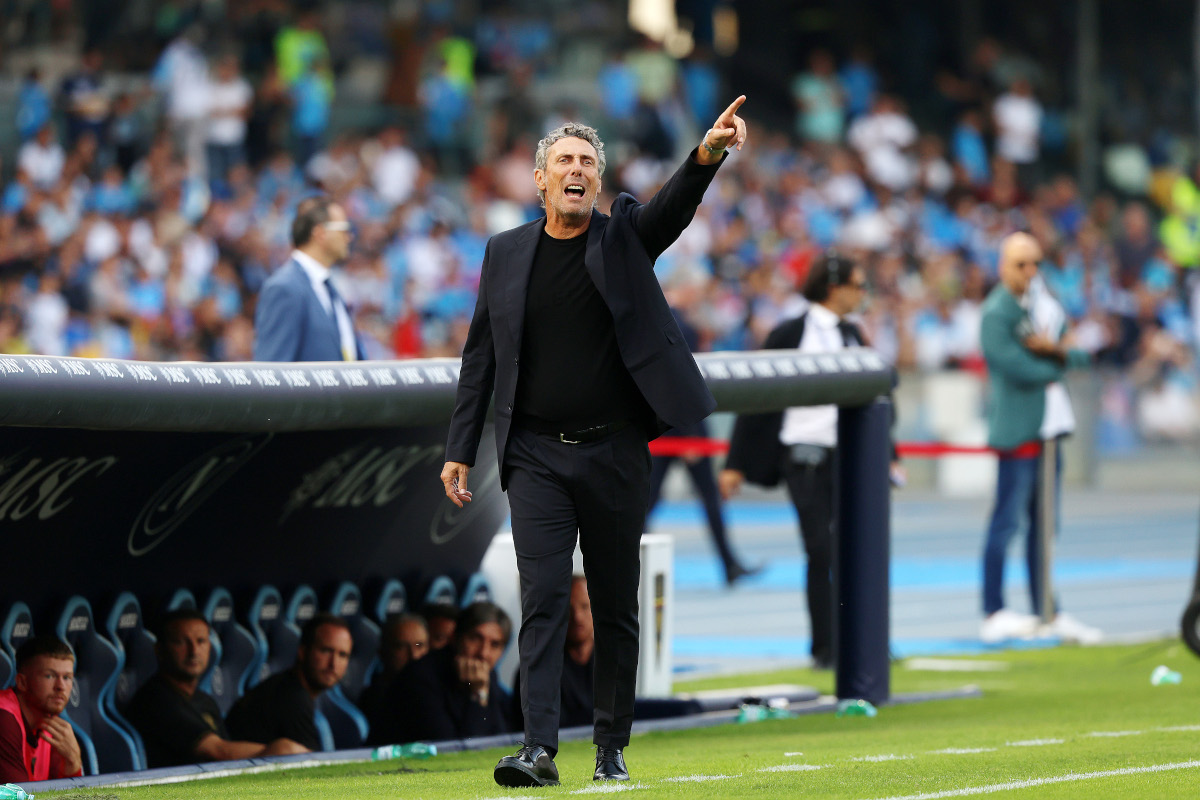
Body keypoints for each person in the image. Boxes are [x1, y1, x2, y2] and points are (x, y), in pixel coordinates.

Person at [440, 96, 747, 787]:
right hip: (535, 456)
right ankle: (538, 748)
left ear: (597, 181)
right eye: (564, 162)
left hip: (614, 451)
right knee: (543, 597)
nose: (576, 171)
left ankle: (610, 747)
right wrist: (460, 447)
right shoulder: (505, 251)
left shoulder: (624, 237)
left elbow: (672, 209)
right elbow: (480, 358)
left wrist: (707, 154)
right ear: (541, 179)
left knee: (613, 603)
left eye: (587, 162)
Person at [719, 252, 871, 671]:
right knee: (820, 549)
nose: (863, 294)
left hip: (849, 458)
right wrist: (735, 463)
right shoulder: (789, 332)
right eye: (858, 285)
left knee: (855, 550)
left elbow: (875, 401)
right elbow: (754, 399)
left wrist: (886, 456)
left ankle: (861, 638)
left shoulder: (855, 334)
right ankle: (824, 647)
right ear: (833, 286)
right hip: (801, 455)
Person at [979, 232, 1102, 644]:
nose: (1030, 272)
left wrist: (1053, 352)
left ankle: (1046, 607)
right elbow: (1016, 366)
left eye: (1035, 263)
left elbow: (1080, 353)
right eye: (1020, 264)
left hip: (1049, 431)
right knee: (1006, 522)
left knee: (1045, 527)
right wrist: (1058, 359)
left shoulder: (1045, 305)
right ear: (1003, 265)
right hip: (1019, 432)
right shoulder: (997, 311)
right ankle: (993, 608)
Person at [646, 301, 758, 586]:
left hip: (673, 425)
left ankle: (729, 564)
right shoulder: (673, 317)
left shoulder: (684, 315)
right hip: (680, 426)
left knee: (696, 498)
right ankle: (638, 562)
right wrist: (690, 434)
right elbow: (677, 374)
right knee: (654, 499)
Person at [126, 609, 306, 767]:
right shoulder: (155, 699)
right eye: (181, 642)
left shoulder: (204, 700)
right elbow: (219, 752)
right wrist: (282, 750)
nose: (194, 651)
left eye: (201, 641)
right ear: (160, 650)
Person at [370, 602, 512, 746]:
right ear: (455, 638)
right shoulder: (421, 677)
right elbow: (456, 750)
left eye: (495, 645)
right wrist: (477, 694)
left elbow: (500, 738)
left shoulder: (487, 674)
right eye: (475, 638)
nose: (483, 653)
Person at [253, 194, 364, 362]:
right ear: (320, 233)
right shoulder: (285, 288)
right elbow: (272, 370)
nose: (349, 236)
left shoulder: (330, 289)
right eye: (343, 229)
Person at [226, 613, 352, 751]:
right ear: (303, 652)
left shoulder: (292, 688)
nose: (333, 664)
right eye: (326, 651)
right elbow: (311, 766)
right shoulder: (292, 698)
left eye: (342, 655)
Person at [0, 635, 82, 782]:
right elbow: (17, 796)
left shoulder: (51, 726)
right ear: (22, 682)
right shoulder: (4, 719)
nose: (60, 687)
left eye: (67, 677)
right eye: (49, 676)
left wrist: (73, 761)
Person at [357, 613, 428, 735]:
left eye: (419, 646)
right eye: (401, 647)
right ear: (382, 651)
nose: (414, 656)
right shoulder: (374, 700)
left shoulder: (435, 690)